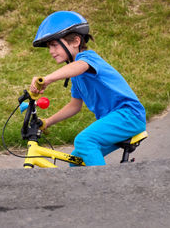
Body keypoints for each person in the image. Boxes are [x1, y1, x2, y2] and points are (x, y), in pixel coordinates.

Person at [30, 11, 146, 166]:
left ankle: (101, 188)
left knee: (84, 140)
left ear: (76, 41)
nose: (51, 51)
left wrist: (48, 78)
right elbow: (74, 106)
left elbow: (80, 66)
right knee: (76, 161)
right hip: (114, 120)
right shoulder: (76, 76)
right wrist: (47, 122)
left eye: (54, 45)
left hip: (128, 115)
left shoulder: (87, 59)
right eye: (49, 47)